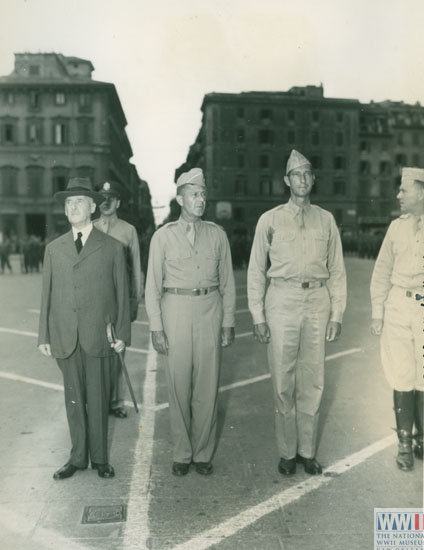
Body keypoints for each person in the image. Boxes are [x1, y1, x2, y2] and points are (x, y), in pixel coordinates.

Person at [247, 149, 346, 476]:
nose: (302, 179)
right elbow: (256, 271)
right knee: (282, 381)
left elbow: (337, 270)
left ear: (313, 179)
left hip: (317, 300)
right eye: (296, 174)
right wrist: (258, 315)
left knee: (313, 380)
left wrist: (337, 313)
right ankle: (287, 452)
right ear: (286, 181)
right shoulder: (270, 220)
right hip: (282, 300)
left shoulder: (326, 220)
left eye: (307, 174)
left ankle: (307, 451)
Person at [37, 177, 131, 480]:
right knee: (73, 399)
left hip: (99, 335)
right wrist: (44, 336)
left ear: (93, 206)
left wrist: (122, 337)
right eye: (68, 203)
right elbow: (47, 295)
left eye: (79, 201)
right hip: (66, 335)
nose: (73, 207)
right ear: (64, 211)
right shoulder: (53, 249)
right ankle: (77, 457)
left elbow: (122, 297)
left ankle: (100, 458)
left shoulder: (113, 248)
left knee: (100, 397)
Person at [145, 167, 236, 476]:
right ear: (180, 197)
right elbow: (152, 286)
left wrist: (228, 322)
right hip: (176, 311)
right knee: (178, 385)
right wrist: (156, 326)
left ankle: (202, 454)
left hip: (210, 309)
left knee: (207, 387)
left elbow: (227, 283)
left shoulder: (217, 235)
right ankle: (182, 453)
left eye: (204, 195)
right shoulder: (163, 237)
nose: (201, 200)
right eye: (195, 195)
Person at [370, 167, 424, 471]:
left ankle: (422, 439)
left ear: (421, 191)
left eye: (404, 190)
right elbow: (381, 273)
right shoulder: (395, 228)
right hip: (399, 307)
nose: (398, 195)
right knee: (402, 375)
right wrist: (378, 313)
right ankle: (404, 442)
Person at [94, 180, 143, 419]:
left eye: (110, 199)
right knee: (95, 352)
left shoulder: (128, 230)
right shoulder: (88, 228)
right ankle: (98, 401)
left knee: (118, 351)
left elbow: (136, 268)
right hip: (94, 302)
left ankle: (116, 402)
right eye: (102, 198)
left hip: (120, 299)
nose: (105, 203)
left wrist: (135, 301)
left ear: (118, 202)